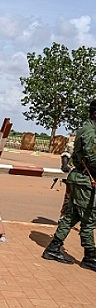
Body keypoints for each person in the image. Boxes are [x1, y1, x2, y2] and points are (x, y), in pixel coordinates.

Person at [42, 100, 96, 272]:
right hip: (84, 180)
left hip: (82, 179)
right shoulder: (89, 132)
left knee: (73, 216)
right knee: (88, 217)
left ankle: (53, 248)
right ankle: (90, 257)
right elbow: (91, 158)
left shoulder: (90, 129)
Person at [58, 136, 75, 221]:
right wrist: (65, 165)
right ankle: (63, 217)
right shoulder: (73, 145)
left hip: (88, 177)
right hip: (73, 175)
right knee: (69, 198)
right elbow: (65, 155)